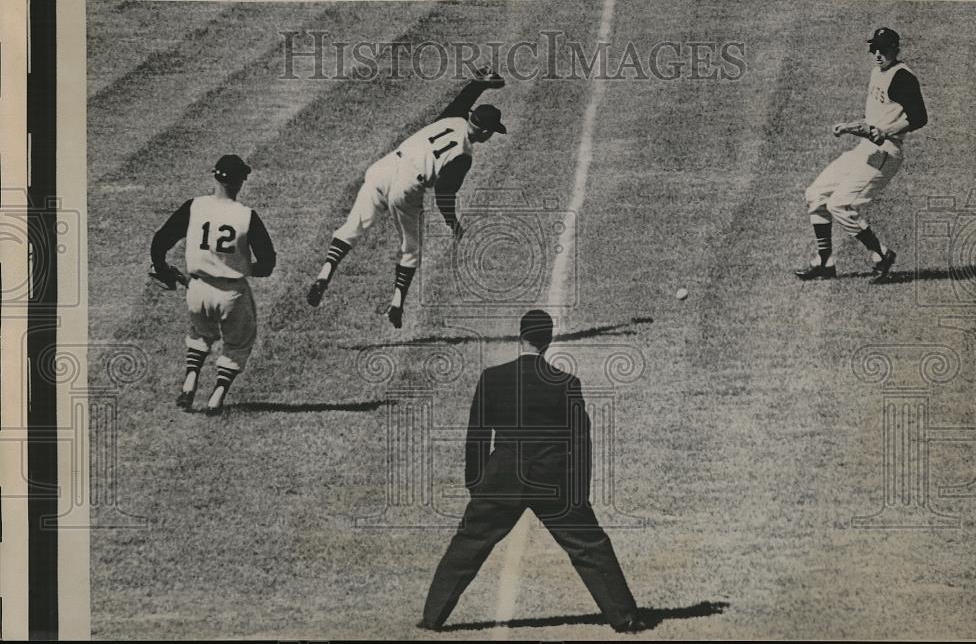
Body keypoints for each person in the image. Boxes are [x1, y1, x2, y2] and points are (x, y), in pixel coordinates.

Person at [418, 310, 651, 633]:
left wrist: (477, 483)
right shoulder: (567, 383)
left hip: (502, 479)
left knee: (468, 544)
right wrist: (578, 493)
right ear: (549, 340)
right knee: (590, 546)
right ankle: (625, 617)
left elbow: (477, 435)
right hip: (552, 481)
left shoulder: (493, 378)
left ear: (520, 337)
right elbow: (580, 442)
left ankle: (432, 618)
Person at [306, 68, 506, 327]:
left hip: (384, 167)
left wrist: (481, 83)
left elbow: (464, 98)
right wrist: (454, 224)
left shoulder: (454, 118)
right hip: (408, 185)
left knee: (352, 227)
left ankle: (324, 274)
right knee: (411, 248)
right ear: (485, 133)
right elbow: (444, 195)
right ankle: (396, 304)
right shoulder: (463, 156)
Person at [796, 27, 927, 284]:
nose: (877, 54)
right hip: (865, 149)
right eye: (874, 49)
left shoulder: (903, 77)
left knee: (839, 204)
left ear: (895, 49)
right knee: (815, 194)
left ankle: (881, 254)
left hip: (886, 152)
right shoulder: (877, 72)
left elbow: (920, 117)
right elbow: (873, 119)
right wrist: (848, 127)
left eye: (883, 49)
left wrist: (886, 131)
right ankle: (825, 261)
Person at [149, 154, 276, 415]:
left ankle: (190, 381)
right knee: (238, 344)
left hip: (197, 289)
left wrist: (161, 268)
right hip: (232, 293)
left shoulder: (194, 207)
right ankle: (216, 397)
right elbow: (268, 263)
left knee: (199, 335)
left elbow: (160, 240)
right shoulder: (246, 216)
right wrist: (241, 266)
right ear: (240, 182)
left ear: (215, 177)